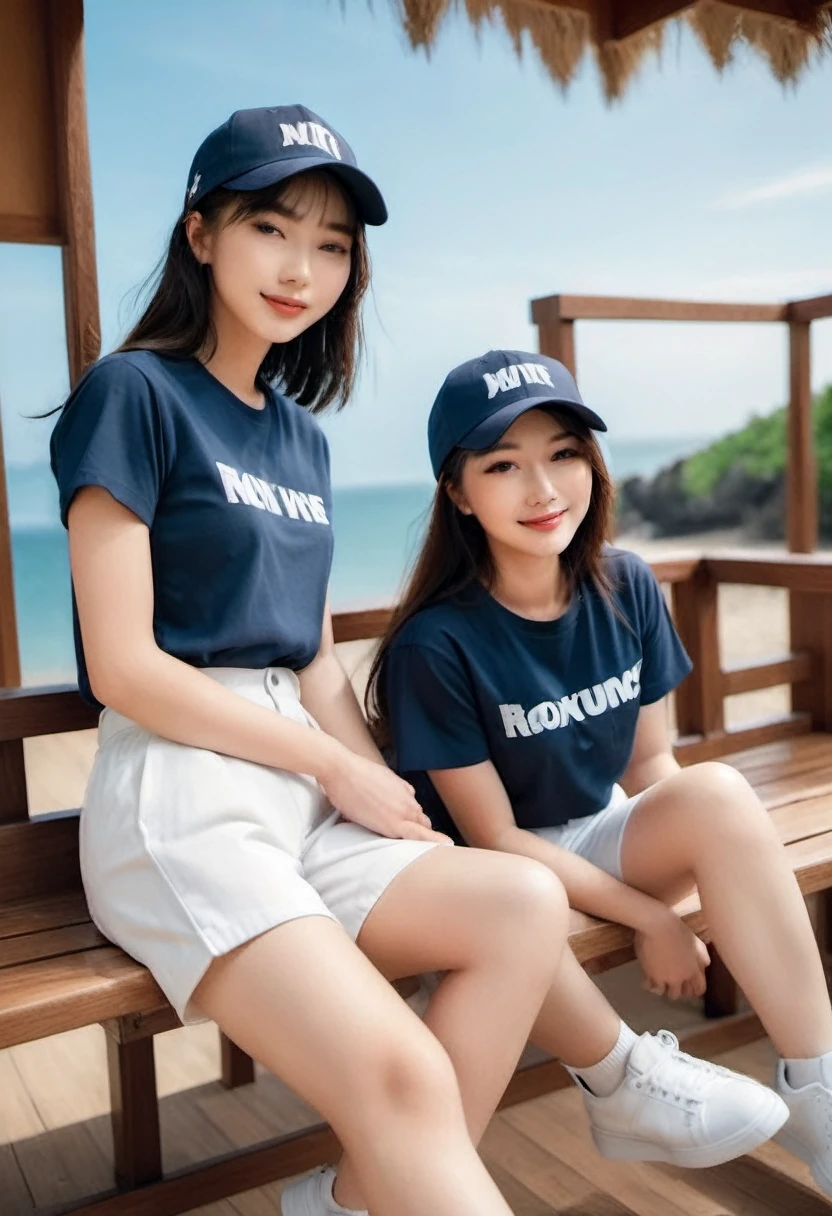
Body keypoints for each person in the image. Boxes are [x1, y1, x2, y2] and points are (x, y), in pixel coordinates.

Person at [50, 111, 582, 1216]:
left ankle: (348, 1201)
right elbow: (122, 666)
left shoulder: (301, 438)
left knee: (520, 903)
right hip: (183, 793)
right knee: (400, 1077)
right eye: (271, 226)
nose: (303, 268)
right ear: (200, 234)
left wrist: (380, 787)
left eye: (333, 245)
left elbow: (317, 653)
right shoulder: (132, 394)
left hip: (300, 789)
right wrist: (330, 767)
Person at [370, 348, 832, 1196]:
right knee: (528, 887)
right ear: (458, 493)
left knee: (720, 793)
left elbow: (651, 762)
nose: (543, 489)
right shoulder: (436, 644)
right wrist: (648, 920)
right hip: (488, 876)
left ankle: (818, 1096)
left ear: (593, 463)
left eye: (564, 454)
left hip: (588, 831)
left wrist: (690, 873)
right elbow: (495, 836)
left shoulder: (626, 584)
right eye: (503, 465)